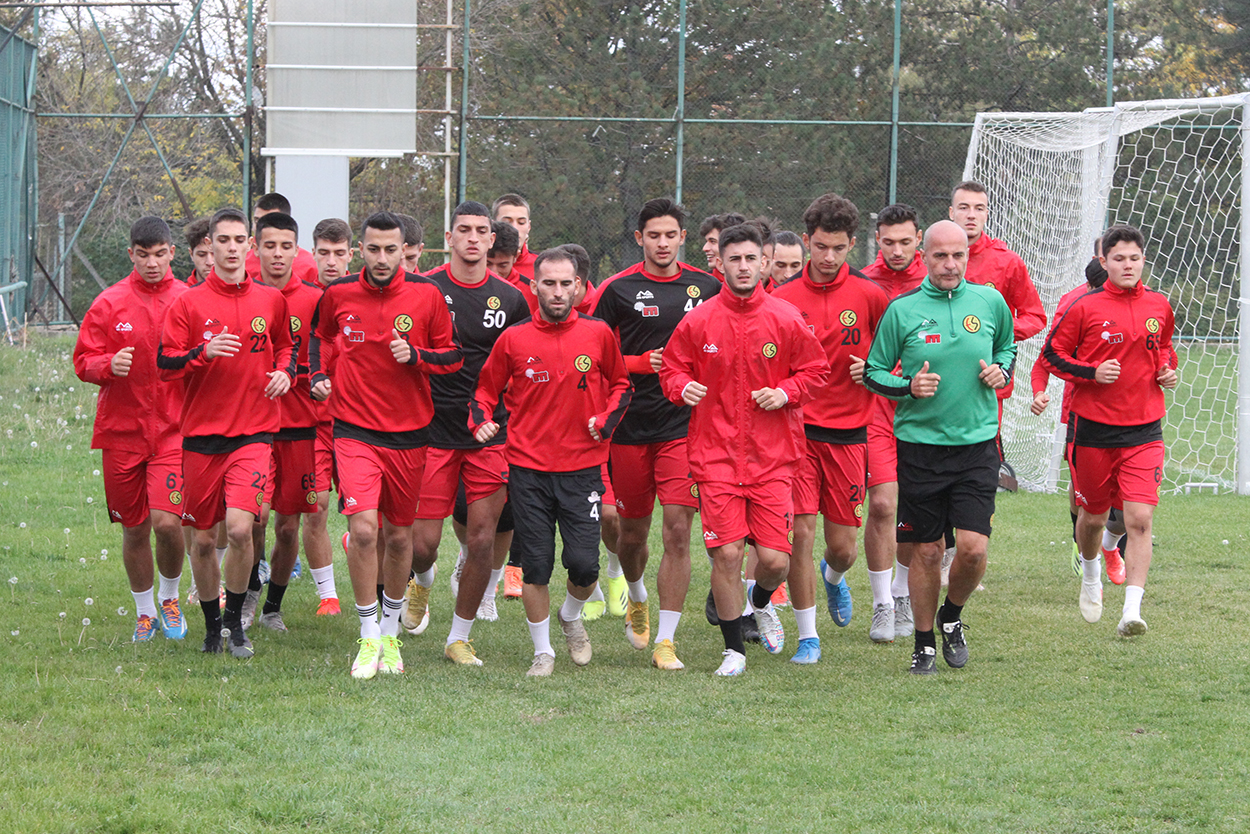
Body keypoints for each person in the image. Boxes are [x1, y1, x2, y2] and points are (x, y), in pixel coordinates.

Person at [659, 223, 828, 676]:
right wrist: (682, 387)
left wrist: (787, 392)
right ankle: (733, 651)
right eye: (734, 258)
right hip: (714, 458)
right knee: (727, 554)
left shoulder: (787, 317)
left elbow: (816, 371)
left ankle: (758, 599)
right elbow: (671, 370)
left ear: (765, 263)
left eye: (752, 258)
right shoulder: (698, 320)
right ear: (720, 263)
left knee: (774, 560)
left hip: (773, 458)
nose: (743, 266)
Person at [309, 211, 462, 679]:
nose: (381, 258)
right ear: (361, 251)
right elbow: (320, 337)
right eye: (372, 249)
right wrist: (317, 376)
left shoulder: (427, 296)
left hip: (411, 434)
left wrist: (416, 355)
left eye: (390, 250)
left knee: (400, 538)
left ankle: (391, 634)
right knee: (363, 531)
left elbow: (452, 357)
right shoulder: (339, 294)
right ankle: (369, 636)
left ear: (404, 251)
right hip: (354, 430)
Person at [469, 247, 632, 675]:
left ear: (578, 286)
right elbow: (483, 393)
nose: (557, 292)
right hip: (528, 471)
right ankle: (543, 651)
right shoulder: (514, 338)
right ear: (534, 285)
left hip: (583, 470)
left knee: (584, 565)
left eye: (566, 284)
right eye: (549, 283)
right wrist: (481, 422)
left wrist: (605, 420)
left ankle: (570, 616)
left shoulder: (598, 334)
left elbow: (622, 386)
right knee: (536, 565)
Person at [864, 220, 1016, 675]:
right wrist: (909, 385)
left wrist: (1001, 371)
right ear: (923, 258)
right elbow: (873, 372)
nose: (950, 264)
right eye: (940, 256)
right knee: (927, 552)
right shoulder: (902, 309)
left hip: (976, 447)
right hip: (920, 449)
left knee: (971, 549)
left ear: (968, 255)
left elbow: (1007, 348)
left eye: (958, 255)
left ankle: (952, 616)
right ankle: (924, 643)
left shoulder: (989, 301)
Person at [158, 207, 296, 658]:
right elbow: (165, 364)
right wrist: (203, 352)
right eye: (224, 241)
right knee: (201, 539)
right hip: (201, 438)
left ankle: (237, 623)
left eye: (240, 240)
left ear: (248, 247)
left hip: (254, 434)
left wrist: (283, 372)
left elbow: (287, 346)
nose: (233, 248)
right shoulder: (188, 303)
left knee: (240, 530)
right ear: (209, 248)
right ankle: (212, 627)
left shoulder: (270, 300)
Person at [592, 198, 722, 671]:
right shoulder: (617, 290)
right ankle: (638, 593)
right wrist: (636, 364)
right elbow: (591, 354)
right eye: (654, 235)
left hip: (682, 428)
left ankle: (666, 640)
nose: (662, 243)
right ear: (639, 239)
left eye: (671, 235)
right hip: (629, 428)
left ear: (682, 237)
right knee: (630, 534)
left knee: (678, 530)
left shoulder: (706, 287)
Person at [1041, 224, 1177, 637]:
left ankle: (1131, 611)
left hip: (1144, 430)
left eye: (1134, 258)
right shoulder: (1085, 307)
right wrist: (1091, 372)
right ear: (1104, 262)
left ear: (1143, 260)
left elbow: (1165, 348)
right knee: (1093, 518)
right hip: (1093, 431)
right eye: (1119, 258)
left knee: (1138, 518)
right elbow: (1051, 355)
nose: (1128, 265)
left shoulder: (1159, 305)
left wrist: (1167, 371)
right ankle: (1090, 571)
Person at [408, 201, 529, 666]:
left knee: (482, 538)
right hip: (430, 431)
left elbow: (523, 362)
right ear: (450, 236)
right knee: (422, 544)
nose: (474, 238)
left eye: (482, 231)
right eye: (465, 230)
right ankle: (421, 582)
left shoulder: (512, 299)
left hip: (488, 433)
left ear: (491, 240)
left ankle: (459, 636)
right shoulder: (425, 289)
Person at [772, 195, 889, 656]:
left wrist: (874, 372)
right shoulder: (781, 301)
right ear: (805, 242)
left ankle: (834, 577)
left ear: (853, 246)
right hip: (796, 433)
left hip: (848, 436)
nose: (827, 258)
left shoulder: (870, 296)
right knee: (799, 533)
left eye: (838, 249)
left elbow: (893, 355)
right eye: (820, 247)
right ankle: (808, 635)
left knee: (842, 548)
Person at [74, 216, 189, 642]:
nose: (152, 264)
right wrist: (107, 365)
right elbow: (83, 359)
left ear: (172, 253)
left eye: (160, 254)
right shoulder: (109, 303)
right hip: (122, 433)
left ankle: (171, 597)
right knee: (135, 527)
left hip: (175, 432)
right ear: (131, 255)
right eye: (143, 256)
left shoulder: (188, 298)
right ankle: (144, 613)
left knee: (168, 523)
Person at [1030, 239, 1124, 585]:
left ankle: (1113, 544)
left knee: (1126, 489)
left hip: (1128, 411)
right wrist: (1040, 393)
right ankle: (1081, 540)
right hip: (1081, 408)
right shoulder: (1073, 303)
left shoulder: (1138, 299)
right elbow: (1049, 355)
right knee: (1083, 483)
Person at [858, 204, 929, 641]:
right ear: (877, 240)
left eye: (906, 241)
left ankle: (903, 593)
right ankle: (882, 602)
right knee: (883, 505)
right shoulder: (864, 283)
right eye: (889, 242)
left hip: (928, 413)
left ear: (919, 238)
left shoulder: (940, 281)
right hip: (877, 410)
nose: (897, 250)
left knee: (917, 511)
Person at [248, 212, 321, 632]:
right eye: (270, 245)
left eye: (286, 246)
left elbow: (326, 359)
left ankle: (272, 607)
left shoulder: (313, 299)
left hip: (298, 426)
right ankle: (249, 594)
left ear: (297, 250)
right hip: (253, 425)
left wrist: (314, 383)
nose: (278, 254)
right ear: (256, 248)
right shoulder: (246, 297)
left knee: (288, 526)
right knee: (253, 517)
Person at [244, 193, 319, 285]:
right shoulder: (242, 264)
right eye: (257, 221)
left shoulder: (310, 266)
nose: (260, 226)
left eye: (270, 222)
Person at [493, 193, 537, 280]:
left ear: (529, 226)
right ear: (493, 224)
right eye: (507, 222)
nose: (515, 228)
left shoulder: (542, 266)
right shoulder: (477, 261)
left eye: (521, 222)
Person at [183, 217, 212, 286]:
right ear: (191, 254)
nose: (209, 262)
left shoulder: (236, 293)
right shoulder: (181, 294)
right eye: (201, 255)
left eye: (215, 254)